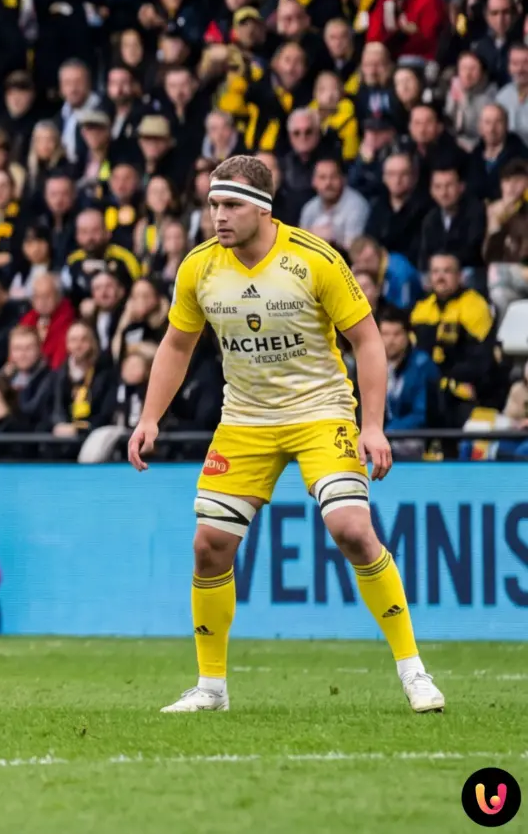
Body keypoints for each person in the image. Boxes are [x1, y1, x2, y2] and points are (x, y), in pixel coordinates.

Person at [131, 155, 444, 715]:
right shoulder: (199, 267)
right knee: (209, 547)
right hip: (245, 420)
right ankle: (211, 688)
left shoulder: (314, 259)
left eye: (230, 205)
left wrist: (372, 425)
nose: (218, 217)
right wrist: (150, 416)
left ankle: (413, 670)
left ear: (262, 208)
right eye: (213, 205)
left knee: (351, 528)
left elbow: (368, 343)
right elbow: (177, 346)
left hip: (320, 410)